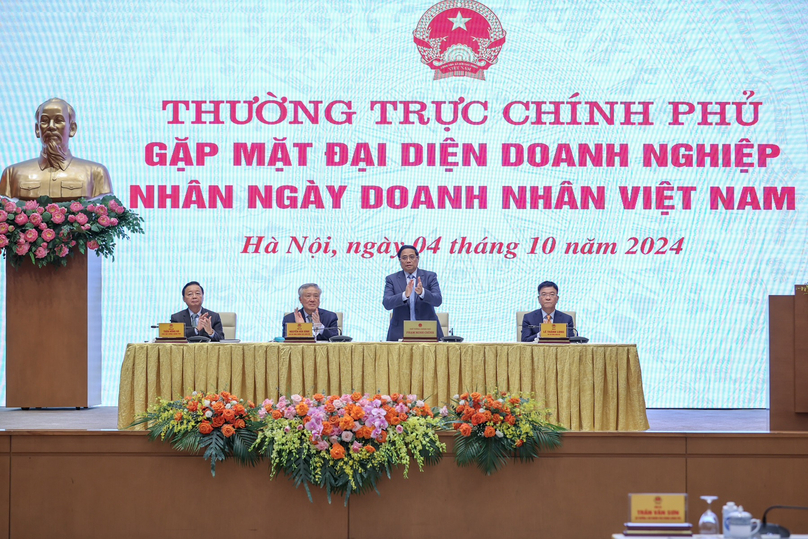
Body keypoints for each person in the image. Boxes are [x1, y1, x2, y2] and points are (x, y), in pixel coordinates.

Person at [0, 98, 113, 201]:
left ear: (72, 129)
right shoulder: (12, 174)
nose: (51, 126)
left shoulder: (95, 173)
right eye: (44, 121)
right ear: (37, 129)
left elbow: (107, 211)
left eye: (59, 120)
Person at [383, 245, 443, 341]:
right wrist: (404, 295)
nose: (408, 261)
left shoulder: (430, 276)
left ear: (417, 258)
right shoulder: (392, 279)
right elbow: (387, 303)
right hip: (400, 333)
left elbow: (438, 301)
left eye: (411, 257)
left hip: (427, 332)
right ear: (399, 260)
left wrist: (423, 293)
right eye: (404, 258)